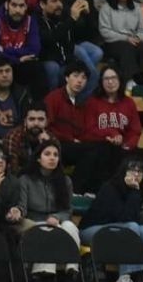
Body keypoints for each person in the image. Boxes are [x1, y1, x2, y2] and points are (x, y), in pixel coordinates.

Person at [79, 156, 143, 282]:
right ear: (123, 171)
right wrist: (134, 192)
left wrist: (135, 192)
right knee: (131, 226)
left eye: (140, 171)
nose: (136, 174)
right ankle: (124, 276)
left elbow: (133, 217)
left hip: (117, 229)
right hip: (91, 230)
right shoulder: (110, 187)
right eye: (132, 170)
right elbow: (125, 217)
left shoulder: (138, 191)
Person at [14, 140, 80, 282]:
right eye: (47, 154)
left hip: (57, 220)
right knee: (47, 228)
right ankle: (43, 272)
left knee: (71, 226)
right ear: (38, 158)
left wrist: (56, 217)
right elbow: (22, 206)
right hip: (34, 221)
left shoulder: (65, 180)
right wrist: (18, 211)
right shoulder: (25, 179)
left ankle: (72, 269)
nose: (52, 158)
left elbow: (68, 209)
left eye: (56, 155)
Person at [43, 61, 105, 194]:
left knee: (102, 148)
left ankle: (92, 192)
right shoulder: (54, 98)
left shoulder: (82, 102)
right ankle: (76, 190)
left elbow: (84, 130)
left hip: (75, 144)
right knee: (91, 152)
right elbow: (47, 127)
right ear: (66, 78)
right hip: (56, 143)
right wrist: (70, 139)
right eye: (76, 76)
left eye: (83, 78)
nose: (79, 81)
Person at [0, 0, 47, 98]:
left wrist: (5, 50)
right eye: (14, 5)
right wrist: (17, 59)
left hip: (15, 63)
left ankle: (37, 108)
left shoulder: (30, 21)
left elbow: (34, 50)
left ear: (26, 7)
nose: (17, 10)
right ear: (6, 5)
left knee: (38, 67)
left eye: (21, 6)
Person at [84, 65, 142, 168]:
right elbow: (89, 129)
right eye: (106, 79)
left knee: (139, 158)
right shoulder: (93, 102)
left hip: (123, 148)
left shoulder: (128, 102)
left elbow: (135, 131)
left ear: (120, 80)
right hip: (100, 146)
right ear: (101, 82)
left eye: (113, 78)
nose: (110, 82)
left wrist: (127, 145)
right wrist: (111, 134)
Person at [57, 0, 104, 84]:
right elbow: (59, 25)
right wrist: (72, 15)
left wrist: (88, 13)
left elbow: (93, 29)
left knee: (98, 52)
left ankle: (76, 82)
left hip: (82, 40)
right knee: (82, 53)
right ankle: (94, 80)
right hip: (64, 42)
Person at [35, 0, 78, 93]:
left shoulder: (62, 17)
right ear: (42, 4)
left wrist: (86, 14)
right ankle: (51, 103)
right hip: (46, 62)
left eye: (60, 1)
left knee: (83, 68)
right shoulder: (36, 21)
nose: (59, 4)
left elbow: (75, 38)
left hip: (64, 61)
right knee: (53, 67)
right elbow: (50, 38)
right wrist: (71, 20)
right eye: (54, 1)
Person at [3, 101, 55, 176]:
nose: (36, 123)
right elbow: (13, 170)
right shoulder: (13, 136)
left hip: (45, 179)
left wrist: (47, 145)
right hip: (21, 179)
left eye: (40, 119)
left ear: (46, 122)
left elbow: (56, 168)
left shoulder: (50, 138)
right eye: (32, 119)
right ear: (25, 121)